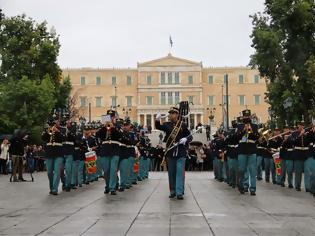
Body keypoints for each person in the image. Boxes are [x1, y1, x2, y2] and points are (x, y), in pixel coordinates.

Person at [155, 107, 192, 200]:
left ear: (177, 114)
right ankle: (172, 191)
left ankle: (179, 192)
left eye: (173, 113)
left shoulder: (182, 125)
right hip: (170, 151)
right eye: (170, 113)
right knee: (171, 173)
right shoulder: (167, 124)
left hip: (181, 151)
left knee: (180, 172)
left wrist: (186, 139)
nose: (171, 115)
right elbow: (158, 127)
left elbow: (190, 136)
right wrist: (157, 119)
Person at [96, 109, 122, 195]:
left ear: (114, 117)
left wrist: (113, 127)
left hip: (115, 149)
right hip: (105, 149)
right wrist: (104, 127)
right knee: (106, 170)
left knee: (113, 169)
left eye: (112, 116)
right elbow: (97, 135)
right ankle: (107, 186)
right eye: (109, 116)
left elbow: (120, 136)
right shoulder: (103, 126)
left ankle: (112, 187)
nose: (110, 118)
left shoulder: (118, 125)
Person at [236, 109, 259, 195]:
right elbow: (237, 137)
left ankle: (252, 189)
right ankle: (243, 186)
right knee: (242, 169)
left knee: (252, 170)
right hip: (242, 149)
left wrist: (251, 131)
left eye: (248, 116)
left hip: (252, 149)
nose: (246, 117)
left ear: (250, 116)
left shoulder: (255, 126)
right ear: (243, 117)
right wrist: (243, 130)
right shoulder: (239, 126)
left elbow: (256, 137)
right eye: (245, 116)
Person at [42, 120, 65, 195]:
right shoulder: (47, 130)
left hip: (59, 152)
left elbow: (64, 139)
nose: (55, 124)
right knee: (49, 172)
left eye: (57, 122)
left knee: (57, 171)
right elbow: (43, 138)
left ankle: (55, 189)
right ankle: (51, 187)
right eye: (54, 123)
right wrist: (47, 131)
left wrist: (57, 131)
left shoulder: (63, 129)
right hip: (49, 152)